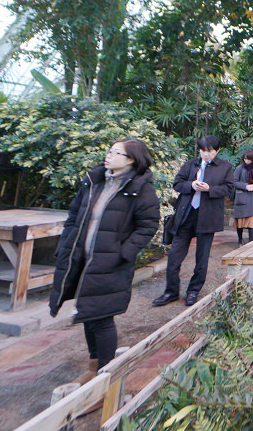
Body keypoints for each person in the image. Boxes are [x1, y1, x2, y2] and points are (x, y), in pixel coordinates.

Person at [49, 138, 160, 384]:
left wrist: (124, 253)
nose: (108, 155)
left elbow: (148, 225)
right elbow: (74, 215)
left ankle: (105, 377)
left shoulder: (140, 188)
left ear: (131, 159)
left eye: (115, 152)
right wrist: (66, 244)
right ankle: (94, 367)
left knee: (101, 318)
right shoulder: (94, 181)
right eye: (109, 150)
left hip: (109, 264)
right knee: (89, 313)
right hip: (82, 260)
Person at [154, 135, 234, 307]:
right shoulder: (190, 164)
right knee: (174, 257)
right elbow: (177, 183)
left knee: (202, 258)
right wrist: (191, 185)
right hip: (185, 216)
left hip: (207, 218)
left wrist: (209, 189)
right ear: (199, 150)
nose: (206, 154)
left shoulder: (225, 167)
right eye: (203, 150)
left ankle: (193, 291)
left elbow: (229, 188)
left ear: (217, 150)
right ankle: (171, 292)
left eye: (210, 151)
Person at [233, 149, 253, 245]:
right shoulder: (240, 168)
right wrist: (245, 186)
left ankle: (251, 241)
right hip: (242, 196)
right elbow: (234, 182)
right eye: (245, 159)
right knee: (240, 219)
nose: (246, 161)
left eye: (249, 159)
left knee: (252, 219)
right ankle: (240, 239)